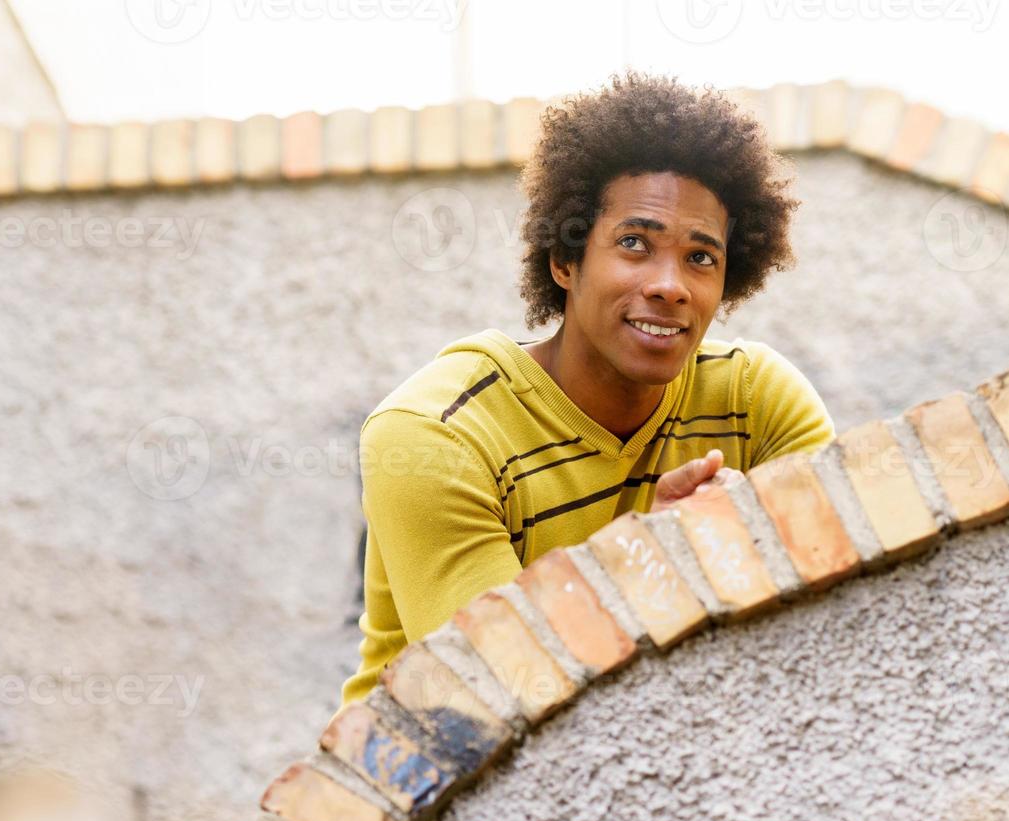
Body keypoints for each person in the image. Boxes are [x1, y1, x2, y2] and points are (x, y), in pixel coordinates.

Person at [339, 70, 834, 707]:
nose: (670, 285)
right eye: (634, 243)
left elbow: (833, 631)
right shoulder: (438, 433)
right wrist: (655, 559)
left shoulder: (757, 403)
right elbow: (507, 688)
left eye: (701, 257)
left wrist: (754, 546)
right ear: (565, 260)